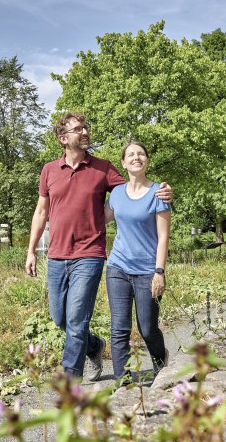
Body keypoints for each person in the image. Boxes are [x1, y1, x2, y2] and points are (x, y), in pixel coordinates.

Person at [26, 112, 171, 381]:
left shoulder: (103, 168)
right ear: (63, 138)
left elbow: (134, 186)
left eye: (85, 128)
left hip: (90, 253)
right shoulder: (49, 170)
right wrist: (31, 250)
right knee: (60, 319)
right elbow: (40, 212)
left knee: (77, 318)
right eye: (77, 129)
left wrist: (161, 191)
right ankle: (95, 346)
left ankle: (71, 380)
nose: (84, 132)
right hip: (57, 255)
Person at [104, 141, 171, 383]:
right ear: (123, 163)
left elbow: (164, 236)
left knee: (148, 329)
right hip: (117, 268)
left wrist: (159, 271)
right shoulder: (117, 194)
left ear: (147, 161)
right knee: (119, 329)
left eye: (141, 153)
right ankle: (123, 381)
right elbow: (99, 220)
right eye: (131, 154)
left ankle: (162, 367)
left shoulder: (159, 193)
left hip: (147, 271)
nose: (136, 157)